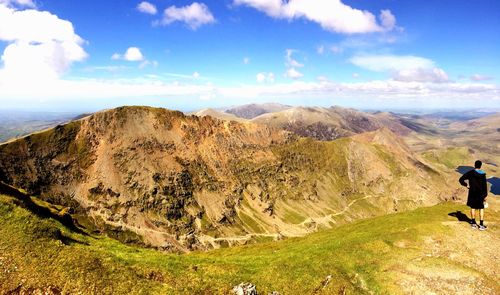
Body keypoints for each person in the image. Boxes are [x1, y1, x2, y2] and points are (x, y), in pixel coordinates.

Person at [459, 160, 488, 230]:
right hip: (480, 194)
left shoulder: (470, 173)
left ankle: (473, 224)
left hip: (472, 193)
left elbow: (461, 179)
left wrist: (466, 185)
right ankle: (481, 225)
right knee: (481, 208)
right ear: (480, 166)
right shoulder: (483, 174)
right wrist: (485, 195)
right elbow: (485, 185)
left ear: (474, 165)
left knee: (473, 208)